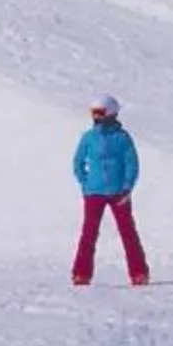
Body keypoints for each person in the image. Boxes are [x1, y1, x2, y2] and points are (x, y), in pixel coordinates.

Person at [70, 95, 149, 287]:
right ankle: (81, 274)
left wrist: (127, 188)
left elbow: (132, 164)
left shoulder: (122, 138)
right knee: (88, 233)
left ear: (111, 114)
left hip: (118, 193)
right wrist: (85, 183)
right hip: (94, 193)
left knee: (128, 232)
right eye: (93, 113)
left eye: (100, 113)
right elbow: (78, 162)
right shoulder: (88, 138)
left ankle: (139, 273)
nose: (96, 117)